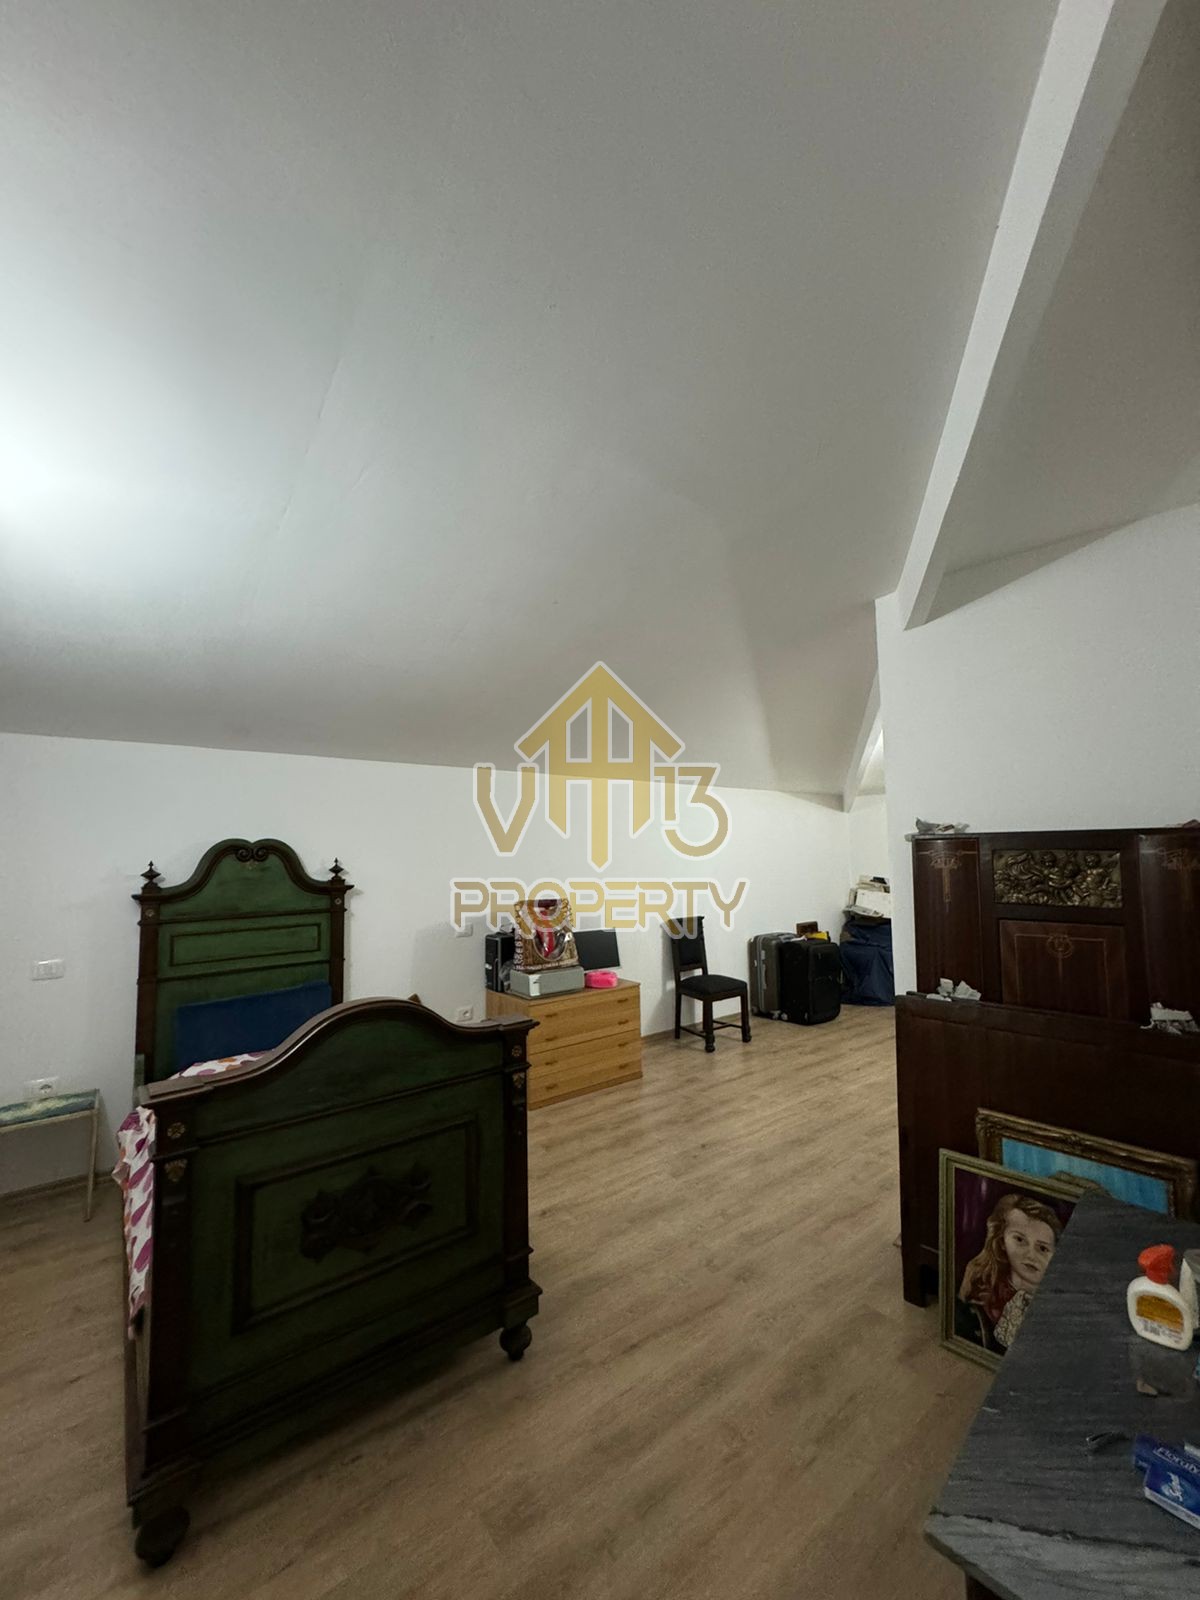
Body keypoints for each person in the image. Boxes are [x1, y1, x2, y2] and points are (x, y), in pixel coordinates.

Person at [957, 1192, 1062, 1352]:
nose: (1031, 1255)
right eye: (1020, 1240)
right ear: (1002, 1241)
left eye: (1042, 1248)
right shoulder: (986, 1290)